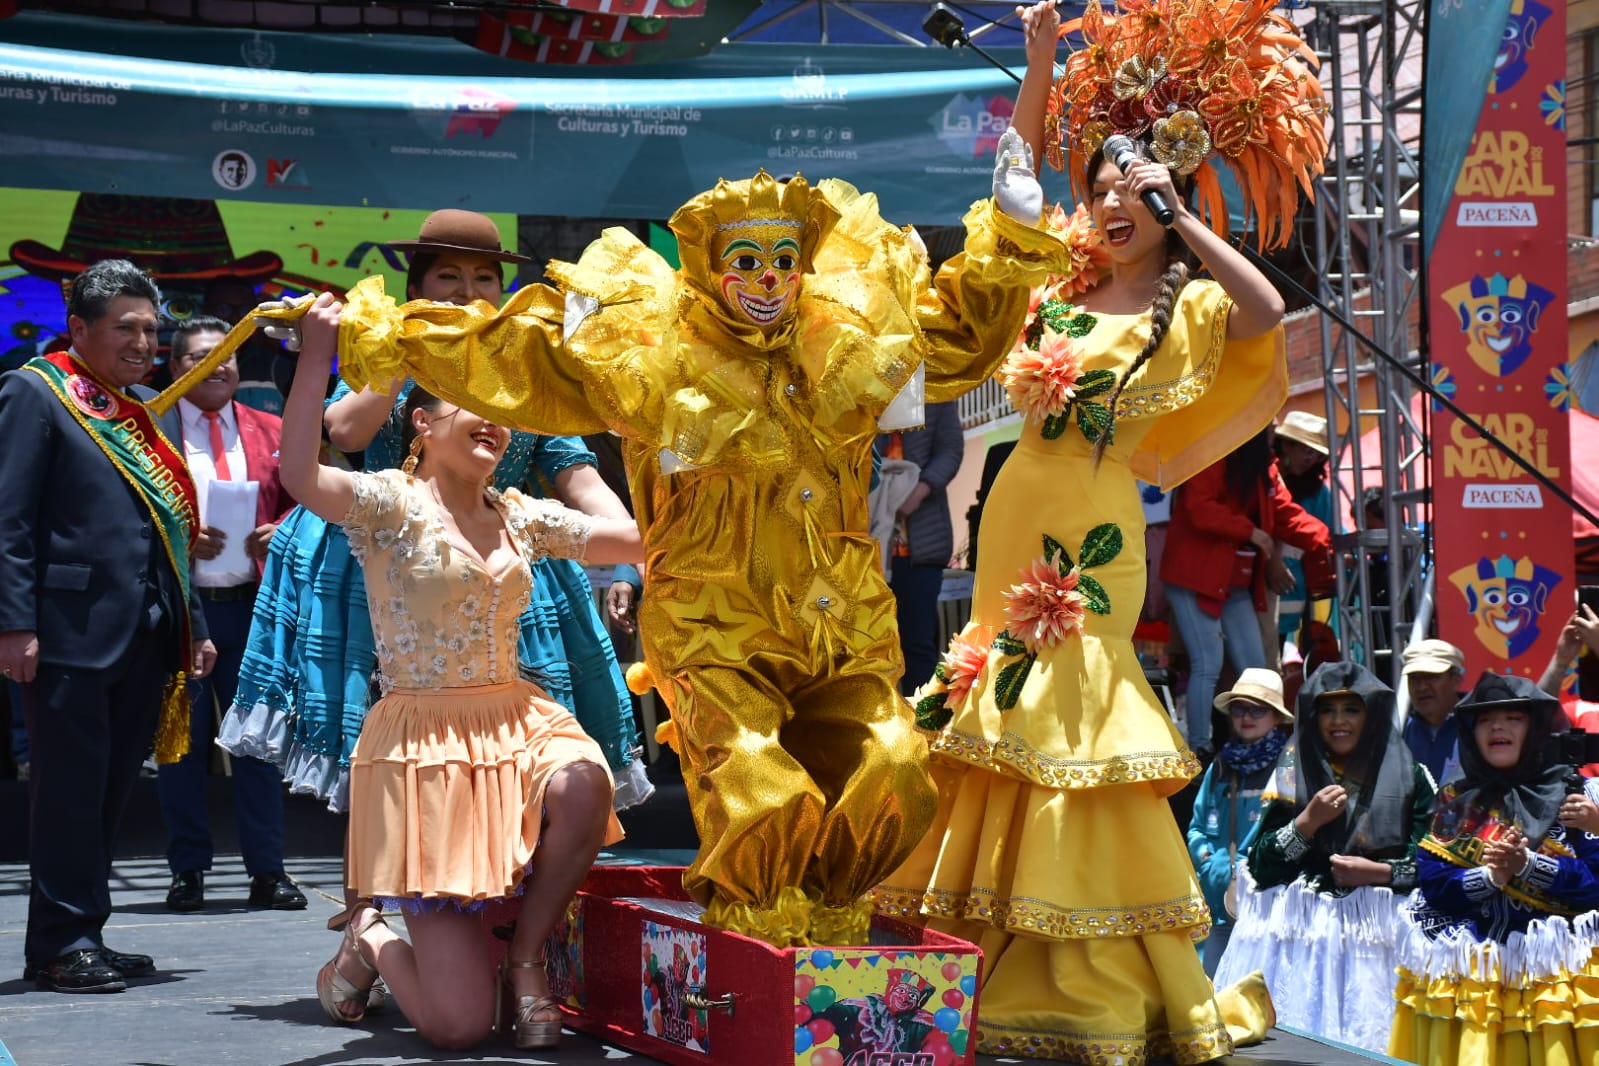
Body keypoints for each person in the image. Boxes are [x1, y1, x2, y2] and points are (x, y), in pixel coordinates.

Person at [248, 136, 1067, 947]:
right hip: (714, 623)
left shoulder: (849, 346)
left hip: (835, 619)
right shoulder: (651, 357)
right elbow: (507, 357)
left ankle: (827, 920)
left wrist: (1002, 245)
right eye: (744, 260)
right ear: (711, 268)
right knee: (761, 790)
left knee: (893, 768)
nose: (766, 278)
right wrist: (375, 330)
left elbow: (958, 341)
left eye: (784, 258)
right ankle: (747, 932)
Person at [872, 0, 1327, 1057]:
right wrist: (1036, 61)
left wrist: (1191, 210)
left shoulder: (1192, 307)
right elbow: (1016, 179)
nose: (1115, 205)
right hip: (1011, 517)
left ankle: (1083, 962)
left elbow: (1267, 310)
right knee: (994, 707)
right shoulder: (1058, 289)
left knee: (1074, 714)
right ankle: (980, 943)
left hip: (1097, 531)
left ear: (1168, 206)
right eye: (1106, 191)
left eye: (1138, 194)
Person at [285, 292, 643, 1050]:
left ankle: (523, 958)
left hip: (517, 724)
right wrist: (318, 357)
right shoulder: (388, 504)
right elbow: (298, 473)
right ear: (420, 420)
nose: (494, 420)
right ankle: (371, 934)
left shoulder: (521, 513)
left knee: (584, 781)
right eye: (469, 403)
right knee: (457, 1029)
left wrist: (652, 417)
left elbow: (637, 542)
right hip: (427, 753)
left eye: (501, 409)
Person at [220, 211, 650, 823]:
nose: (467, 292)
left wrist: (630, 563)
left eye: (483, 278)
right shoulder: (387, 348)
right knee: (379, 737)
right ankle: (370, 896)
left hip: (503, 558)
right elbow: (344, 430)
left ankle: (499, 886)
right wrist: (413, 347)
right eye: (448, 276)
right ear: (416, 288)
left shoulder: (524, 372)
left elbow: (579, 477)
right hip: (383, 564)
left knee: (513, 746)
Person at [0, 259, 217, 993]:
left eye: (151, 328)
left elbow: (169, 532)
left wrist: (195, 623)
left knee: (110, 794)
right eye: (123, 327)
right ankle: (60, 944)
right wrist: (12, 624)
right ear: (79, 328)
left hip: (145, 633)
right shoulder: (34, 392)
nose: (141, 341)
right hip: (65, 632)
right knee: (67, 794)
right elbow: (9, 518)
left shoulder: (135, 408)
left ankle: (82, 932)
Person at [154, 316, 304, 913]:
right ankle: (187, 870)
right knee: (180, 748)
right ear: (174, 367)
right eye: (198, 358)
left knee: (258, 747)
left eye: (226, 357)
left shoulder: (271, 429)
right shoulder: (153, 434)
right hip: (183, 613)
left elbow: (307, 506)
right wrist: (178, 537)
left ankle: (268, 872)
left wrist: (282, 533)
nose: (215, 367)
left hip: (252, 607)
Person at [1215, 660, 1434, 1053]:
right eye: (1327, 710)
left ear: (1373, 714)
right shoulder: (1292, 772)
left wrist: (1381, 873)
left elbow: (1436, 863)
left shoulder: (1411, 775)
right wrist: (1306, 823)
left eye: (1351, 709)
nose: (1338, 721)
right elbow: (1261, 868)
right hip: (1306, 948)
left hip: (1381, 946)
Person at [1389, 672, 1599, 1064]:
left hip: (1552, 981)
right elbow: (1433, 883)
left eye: (1513, 718)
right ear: (1470, 732)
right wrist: (1492, 877)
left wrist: (1529, 866)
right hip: (1474, 980)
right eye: (1485, 719)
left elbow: (1596, 886)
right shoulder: (1456, 798)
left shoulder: (1575, 794)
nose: (1497, 726)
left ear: (1536, 729)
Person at [1162, 430, 1330, 751]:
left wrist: (1326, 540)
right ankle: (1199, 750)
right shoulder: (1211, 452)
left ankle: (1263, 744)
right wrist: (1251, 532)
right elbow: (1199, 506)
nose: (1273, 435)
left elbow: (1284, 512)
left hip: (1232, 581)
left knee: (1256, 669)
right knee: (1207, 663)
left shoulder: (1263, 467)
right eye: (1269, 428)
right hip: (1194, 575)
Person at [1186, 668, 1293, 976]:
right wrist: (1208, 862)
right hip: (1219, 905)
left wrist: (1254, 867)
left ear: (1276, 717)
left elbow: (1290, 831)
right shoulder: (1220, 764)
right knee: (1213, 992)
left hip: (1267, 910)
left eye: (1257, 709)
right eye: (1239, 708)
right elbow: (1196, 827)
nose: (1246, 716)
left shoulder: (1288, 765)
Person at [875, 399, 964, 694]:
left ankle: (923, 728)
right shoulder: (864, 388)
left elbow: (950, 451)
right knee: (871, 644)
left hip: (920, 546)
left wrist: (920, 489)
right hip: (870, 542)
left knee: (917, 641)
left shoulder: (937, 396)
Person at [1272, 410, 1336, 647]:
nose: (1311, 459)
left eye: (1317, 455)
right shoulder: (1264, 481)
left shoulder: (1319, 493)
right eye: (1307, 451)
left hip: (1299, 601)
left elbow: (1327, 539)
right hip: (1257, 594)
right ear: (1286, 445)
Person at [1399, 637, 1466, 783]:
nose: (1422, 687)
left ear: (1456, 680)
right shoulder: (1399, 730)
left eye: (1431, 677)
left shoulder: (1478, 725)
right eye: (1414, 678)